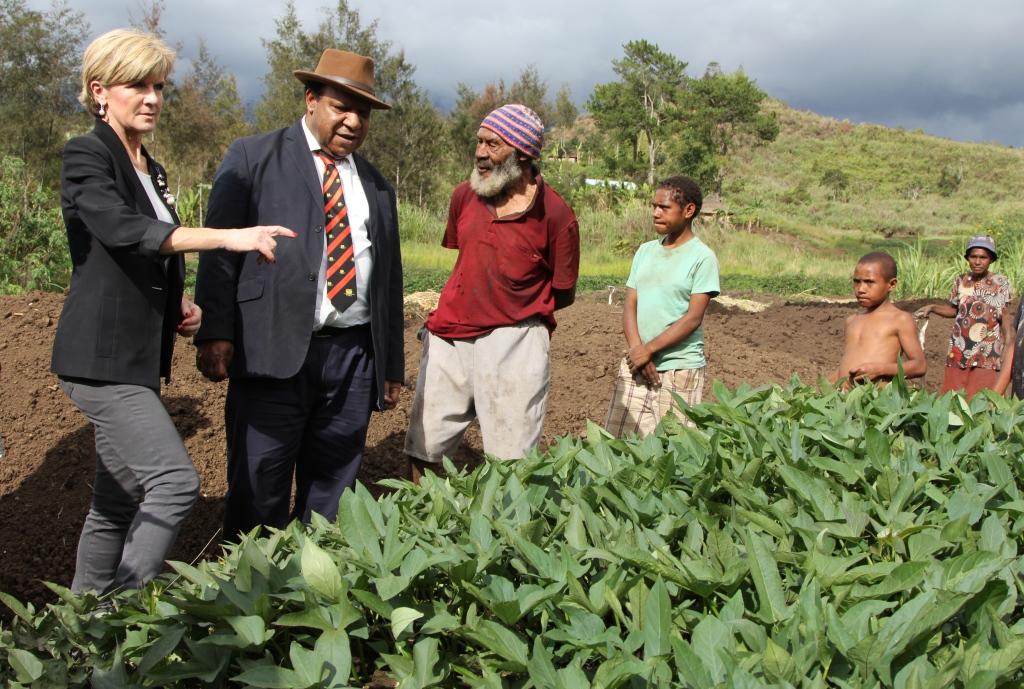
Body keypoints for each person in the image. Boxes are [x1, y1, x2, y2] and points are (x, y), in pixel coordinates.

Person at [52, 29, 295, 595]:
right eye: (137, 85)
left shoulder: (151, 168)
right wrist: (226, 238)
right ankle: (125, 619)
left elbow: (141, 257)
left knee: (114, 503)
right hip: (100, 358)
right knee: (174, 483)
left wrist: (177, 305)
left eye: (159, 86)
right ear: (99, 91)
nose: (153, 98)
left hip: (137, 358)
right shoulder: (88, 155)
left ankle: (82, 632)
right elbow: (123, 230)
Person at [193, 49, 404, 541]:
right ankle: (248, 597)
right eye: (341, 107)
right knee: (257, 485)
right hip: (271, 348)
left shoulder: (376, 185)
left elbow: (389, 279)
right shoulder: (253, 157)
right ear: (311, 100)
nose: (353, 121)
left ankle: (314, 592)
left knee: (334, 489)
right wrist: (216, 331)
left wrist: (390, 363)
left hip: (352, 357)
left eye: (363, 112)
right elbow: (218, 249)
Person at [404, 104, 580, 482]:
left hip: (514, 338)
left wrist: (515, 312)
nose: (481, 153)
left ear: (523, 155)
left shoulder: (556, 215)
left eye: (493, 145)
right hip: (449, 333)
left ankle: (504, 531)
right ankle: (420, 524)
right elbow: (467, 259)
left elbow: (563, 292)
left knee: (512, 458)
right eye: (479, 142)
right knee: (426, 445)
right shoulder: (465, 197)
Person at [603, 176, 720, 436]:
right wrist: (637, 351)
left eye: (664, 207)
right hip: (636, 364)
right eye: (654, 206)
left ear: (688, 210)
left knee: (674, 450)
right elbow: (630, 303)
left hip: (679, 368)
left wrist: (649, 350)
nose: (655, 213)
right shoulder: (644, 251)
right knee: (619, 445)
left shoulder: (702, 258)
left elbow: (692, 318)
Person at [915, 235, 1013, 398]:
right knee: (954, 398)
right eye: (973, 257)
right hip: (959, 349)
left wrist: (1008, 343)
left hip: (986, 352)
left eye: (983, 257)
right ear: (968, 258)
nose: (977, 261)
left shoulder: (1000, 282)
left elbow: (1005, 316)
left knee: (980, 399)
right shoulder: (961, 280)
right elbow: (955, 310)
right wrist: (932, 308)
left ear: (991, 260)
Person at [833, 252, 926, 386]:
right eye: (856, 281)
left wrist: (880, 370)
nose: (861, 289)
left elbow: (919, 365)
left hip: (876, 400)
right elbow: (849, 363)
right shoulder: (852, 321)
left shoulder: (900, 319)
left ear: (892, 284)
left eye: (869, 282)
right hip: (844, 400)